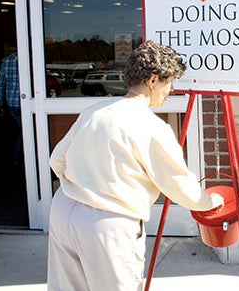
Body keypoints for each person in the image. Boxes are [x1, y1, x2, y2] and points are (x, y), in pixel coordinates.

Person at [47, 40, 224, 290]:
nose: (170, 89)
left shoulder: (94, 111)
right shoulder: (152, 127)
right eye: (169, 81)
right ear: (153, 80)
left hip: (64, 210)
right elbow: (178, 185)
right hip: (108, 223)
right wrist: (209, 202)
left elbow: (57, 161)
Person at [0, 51, 23, 166]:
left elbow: (0, 83)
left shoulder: (7, 60)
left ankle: (18, 157)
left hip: (11, 102)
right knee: (26, 131)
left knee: (23, 130)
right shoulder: (29, 58)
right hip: (26, 102)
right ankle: (17, 158)